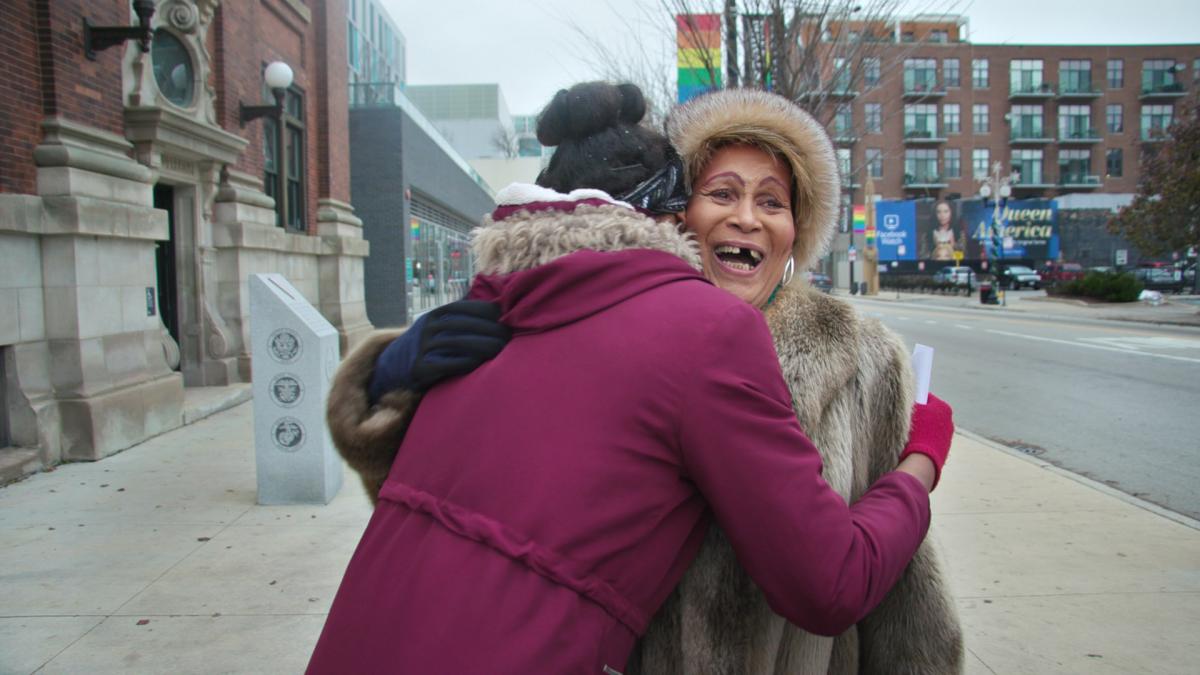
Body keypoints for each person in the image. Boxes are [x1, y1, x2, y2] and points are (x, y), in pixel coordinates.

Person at [311, 82, 953, 674]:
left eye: (773, 202)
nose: (748, 219)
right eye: (723, 193)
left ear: (796, 231)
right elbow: (454, 526)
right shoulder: (572, 318)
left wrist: (917, 461)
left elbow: (907, 608)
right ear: (674, 213)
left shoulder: (865, 362)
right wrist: (390, 384)